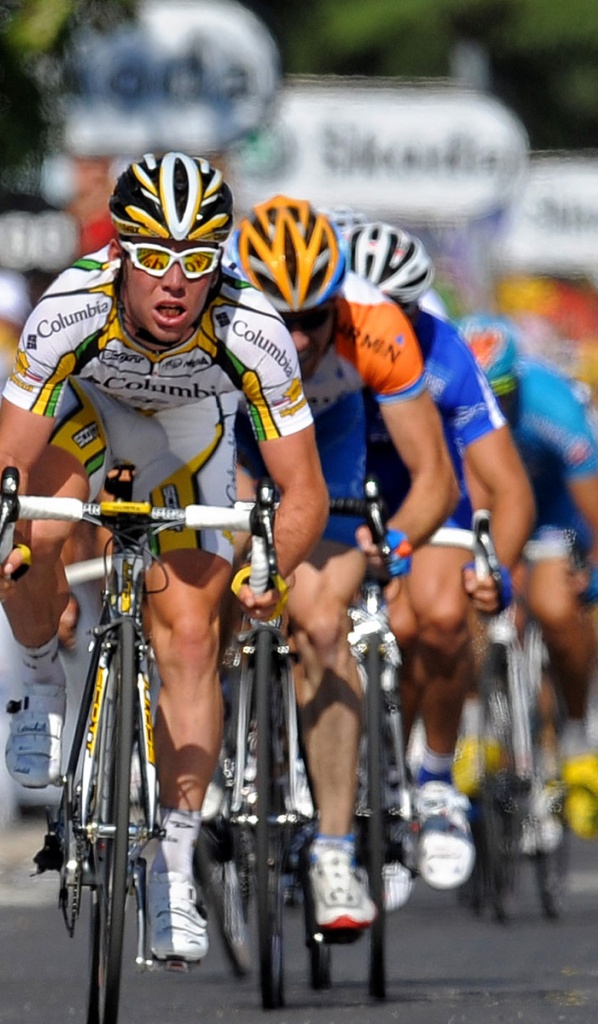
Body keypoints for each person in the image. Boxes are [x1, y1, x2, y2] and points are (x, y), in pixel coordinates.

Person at [0, 152, 329, 962]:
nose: (174, 283)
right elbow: (10, 465)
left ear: (220, 260)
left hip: (192, 440)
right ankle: (42, 678)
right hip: (91, 418)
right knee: (31, 536)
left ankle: (174, 865)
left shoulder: (252, 327)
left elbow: (303, 493)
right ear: (119, 255)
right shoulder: (69, 306)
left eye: (195, 261)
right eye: (153, 259)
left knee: (189, 633)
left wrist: (268, 572)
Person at [232, 197, 459, 930]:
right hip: (232, 440)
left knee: (325, 626)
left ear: (340, 302)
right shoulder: (218, 312)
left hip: (325, 448)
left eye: (313, 321)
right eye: (281, 321)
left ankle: (332, 849)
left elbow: (434, 479)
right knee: (202, 586)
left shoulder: (376, 326)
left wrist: (390, 544)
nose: (297, 340)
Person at [347, 220, 535, 892]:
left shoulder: (445, 353)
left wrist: (496, 569)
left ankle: (433, 780)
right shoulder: (312, 337)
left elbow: (509, 489)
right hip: (340, 485)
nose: (383, 326)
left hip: (430, 490)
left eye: (401, 311)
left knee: (441, 615)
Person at [460, 314, 598, 840]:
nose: (494, 409)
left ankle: (576, 736)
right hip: (485, 507)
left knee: (555, 608)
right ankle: (473, 727)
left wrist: (597, 572)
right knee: (464, 593)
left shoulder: (553, 406)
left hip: (554, 513)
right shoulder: (449, 403)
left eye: (503, 394)